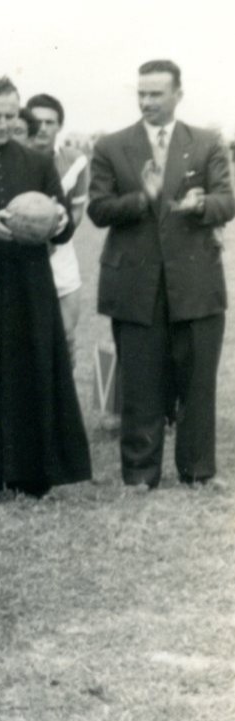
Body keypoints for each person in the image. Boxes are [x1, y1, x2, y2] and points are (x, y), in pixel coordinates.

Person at [88, 60, 233, 489]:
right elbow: (98, 210)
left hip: (195, 282)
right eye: (142, 93)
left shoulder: (207, 142)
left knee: (198, 379)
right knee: (139, 381)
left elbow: (228, 201)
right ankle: (139, 472)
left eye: (156, 93)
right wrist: (143, 197)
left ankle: (198, 470)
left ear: (178, 95)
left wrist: (201, 205)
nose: (147, 101)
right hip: (135, 283)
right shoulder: (111, 146)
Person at [0, 77, 92, 497]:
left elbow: (63, 225)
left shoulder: (37, 162)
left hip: (30, 283)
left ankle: (32, 473)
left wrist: (59, 220)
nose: (2, 124)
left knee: (30, 370)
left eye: (10, 116)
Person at [25, 94, 89, 364]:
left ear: (59, 125)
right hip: (22, 253)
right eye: (36, 121)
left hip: (59, 252)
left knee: (64, 338)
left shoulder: (73, 161)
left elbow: (77, 213)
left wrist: (56, 233)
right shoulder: (12, 159)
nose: (42, 128)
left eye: (49, 122)